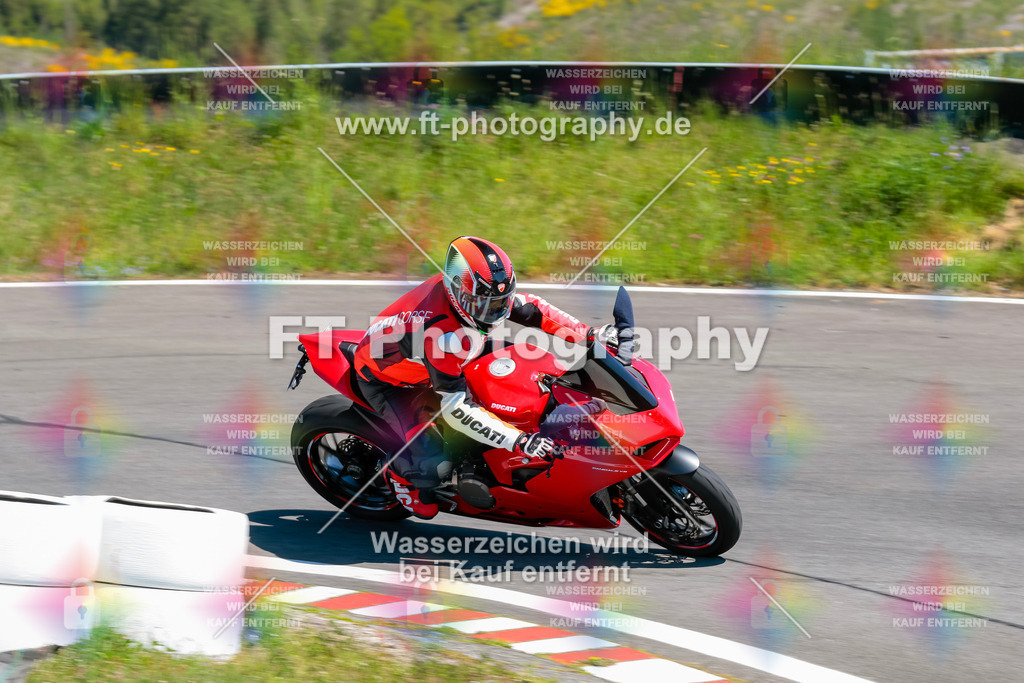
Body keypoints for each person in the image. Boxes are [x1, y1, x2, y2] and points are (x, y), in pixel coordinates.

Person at [352, 235, 616, 519]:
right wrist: (521, 441)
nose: (495, 312)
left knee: (529, 367)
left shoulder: (479, 296)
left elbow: (534, 310)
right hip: (392, 382)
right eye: (484, 304)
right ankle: (401, 479)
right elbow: (456, 409)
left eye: (500, 302)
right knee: (430, 463)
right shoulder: (441, 335)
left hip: (451, 356)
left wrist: (591, 334)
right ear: (457, 292)